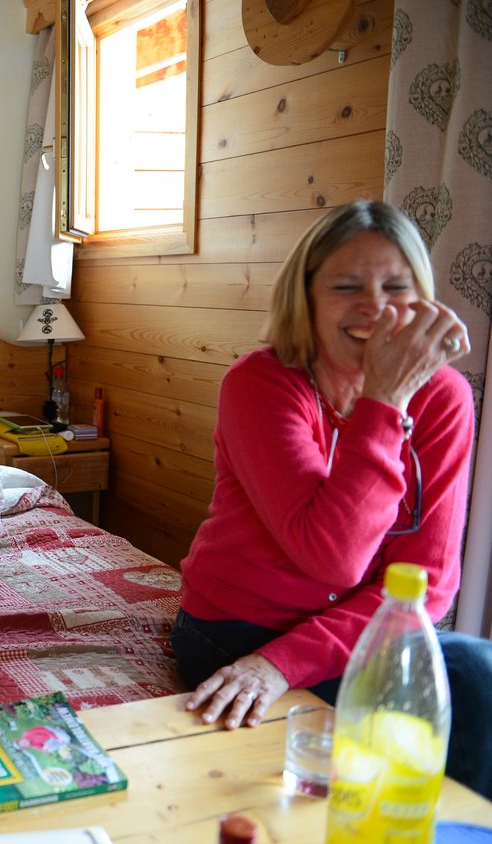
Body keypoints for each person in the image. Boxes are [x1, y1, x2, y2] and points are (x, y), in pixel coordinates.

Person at [172, 200, 492, 799]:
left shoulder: (445, 396)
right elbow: (333, 557)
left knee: (480, 677)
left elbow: (428, 580)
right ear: (307, 299)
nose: (375, 307)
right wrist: (386, 399)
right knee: (394, 735)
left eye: (397, 286)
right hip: (240, 626)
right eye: (347, 287)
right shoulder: (260, 383)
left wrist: (290, 663)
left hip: (363, 630)